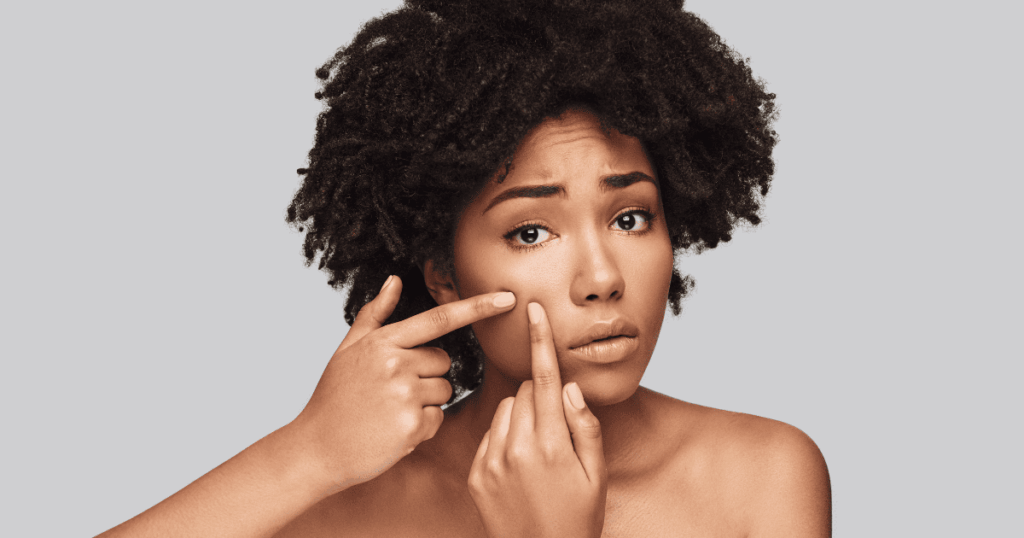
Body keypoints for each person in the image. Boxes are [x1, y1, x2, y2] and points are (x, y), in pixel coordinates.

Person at [97, 0, 830, 536]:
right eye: (533, 230)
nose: (603, 277)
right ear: (444, 275)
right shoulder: (353, 506)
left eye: (630, 217)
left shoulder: (762, 479)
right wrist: (305, 453)